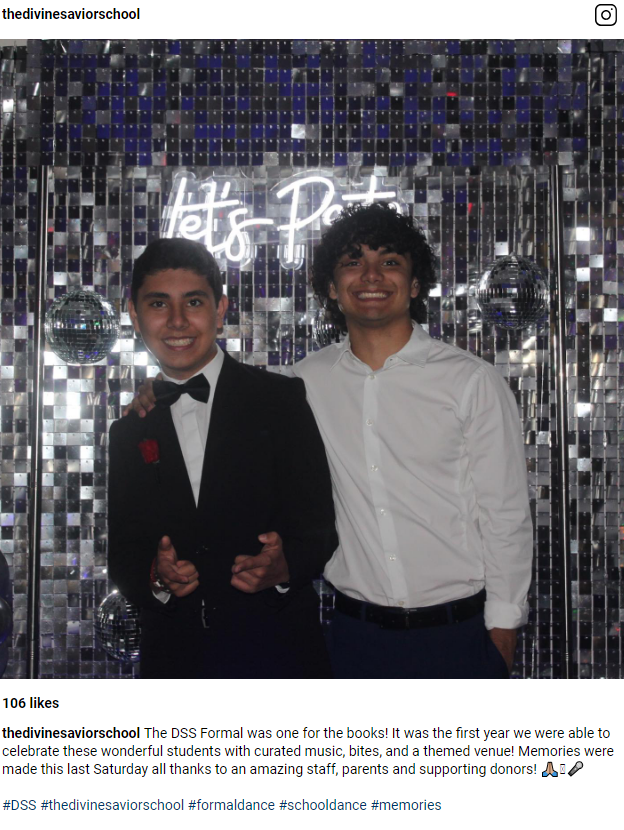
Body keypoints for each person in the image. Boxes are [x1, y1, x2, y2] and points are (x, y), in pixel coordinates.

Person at [127, 204, 533, 679]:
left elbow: (505, 516)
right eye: (353, 261)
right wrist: (159, 389)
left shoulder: (471, 382)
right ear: (332, 287)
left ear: (415, 283)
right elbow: (222, 392)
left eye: (390, 261)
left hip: (458, 633)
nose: (371, 275)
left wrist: (502, 636)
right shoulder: (301, 384)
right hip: (351, 639)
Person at [108, 238, 337, 679]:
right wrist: (156, 575)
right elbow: (123, 553)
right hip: (174, 663)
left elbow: (320, 529)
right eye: (159, 304)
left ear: (220, 309)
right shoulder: (130, 430)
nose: (177, 320)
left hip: (279, 656)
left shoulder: (280, 399)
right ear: (135, 315)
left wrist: (284, 566)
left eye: (194, 302)